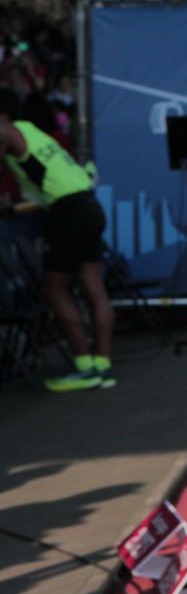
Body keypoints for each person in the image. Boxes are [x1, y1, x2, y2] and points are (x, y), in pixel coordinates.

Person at [0, 87, 116, 391]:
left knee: (54, 289)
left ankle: (84, 369)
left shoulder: (5, 131)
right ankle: (102, 367)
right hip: (89, 204)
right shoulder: (28, 129)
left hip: (68, 212)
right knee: (94, 288)